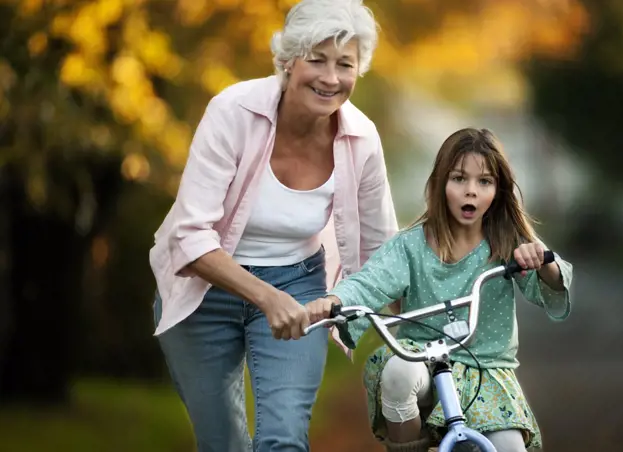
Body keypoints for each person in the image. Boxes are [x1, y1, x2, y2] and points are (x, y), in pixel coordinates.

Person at [148, 0, 398, 450]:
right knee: (222, 442)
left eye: (345, 64)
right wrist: (266, 297)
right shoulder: (233, 111)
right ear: (287, 60)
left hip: (298, 285)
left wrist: (406, 322)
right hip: (205, 289)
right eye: (316, 59)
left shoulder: (361, 139)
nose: (330, 77)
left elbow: (383, 248)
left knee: (283, 439)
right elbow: (189, 236)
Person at [306, 128, 574, 452]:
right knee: (397, 376)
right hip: (421, 361)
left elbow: (555, 279)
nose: (470, 191)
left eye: (484, 182)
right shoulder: (410, 246)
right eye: (459, 179)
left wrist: (542, 261)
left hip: (485, 371)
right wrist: (335, 300)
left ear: (498, 190)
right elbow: (370, 281)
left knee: (509, 448)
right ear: (440, 184)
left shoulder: (507, 243)